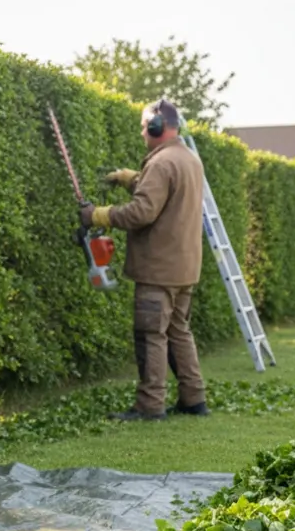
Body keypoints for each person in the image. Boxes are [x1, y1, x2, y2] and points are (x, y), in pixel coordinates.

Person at [79, 99, 209, 422]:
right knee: (179, 331)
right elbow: (164, 191)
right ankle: (194, 399)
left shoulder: (162, 163)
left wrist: (97, 215)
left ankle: (150, 405)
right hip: (184, 268)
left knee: (151, 334)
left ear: (156, 127)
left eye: (143, 126)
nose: (141, 132)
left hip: (159, 270)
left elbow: (142, 211)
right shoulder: (189, 159)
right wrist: (130, 178)